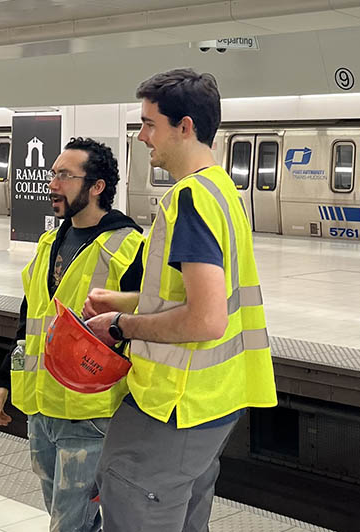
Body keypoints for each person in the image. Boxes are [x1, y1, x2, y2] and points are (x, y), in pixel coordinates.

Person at [83, 69, 278, 532]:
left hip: (177, 404)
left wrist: (120, 327)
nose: (144, 136)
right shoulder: (222, 189)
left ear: (184, 126)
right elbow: (192, 296)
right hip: (215, 400)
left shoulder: (188, 198)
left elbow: (206, 319)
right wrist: (127, 301)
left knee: (134, 501)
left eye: (150, 124)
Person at [0, 137, 144, 531]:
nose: (52, 184)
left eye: (64, 176)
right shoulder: (48, 243)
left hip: (90, 413)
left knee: (68, 524)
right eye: (52, 174)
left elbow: (149, 324)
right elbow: (31, 319)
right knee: (69, 517)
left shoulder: (128, 247)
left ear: (97, 187)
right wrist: (5, 377)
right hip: (41, 409)